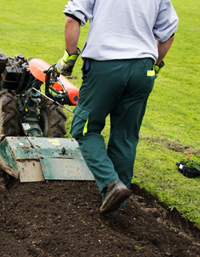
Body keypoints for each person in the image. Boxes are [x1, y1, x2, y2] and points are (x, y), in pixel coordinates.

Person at [56, 0, 179, 214]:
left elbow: (72, 19)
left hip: (105, 65)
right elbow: (168, 34)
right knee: (125, 137)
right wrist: (155, 65)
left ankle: (111, 184)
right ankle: (116, 208)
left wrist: (70, 55)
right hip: (143, 69)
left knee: (84, 129)